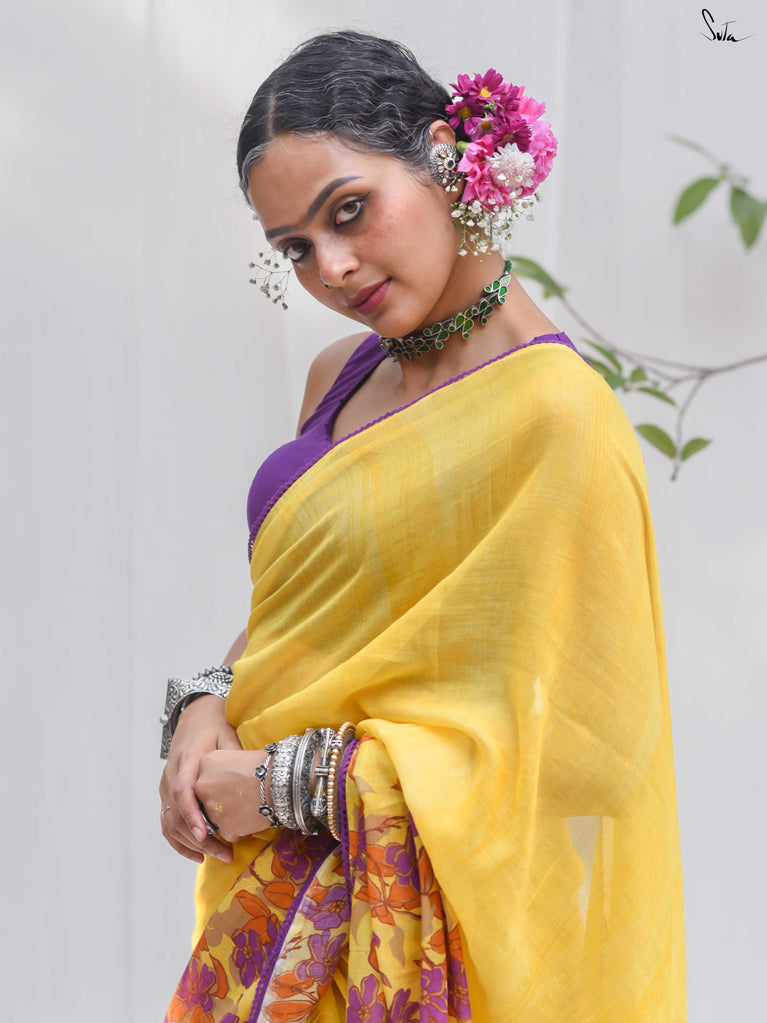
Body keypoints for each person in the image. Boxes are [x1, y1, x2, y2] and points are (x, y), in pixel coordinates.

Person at [159, 31, 687, 1023]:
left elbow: (592, 753)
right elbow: (302, 620)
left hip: (422, 936)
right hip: (271, 902)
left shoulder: (552, 414)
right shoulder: (340, 373)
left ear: (445, 158)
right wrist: (203, 700)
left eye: (347, 210)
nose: (332, 267)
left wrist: (293, 785)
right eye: (295, 248)